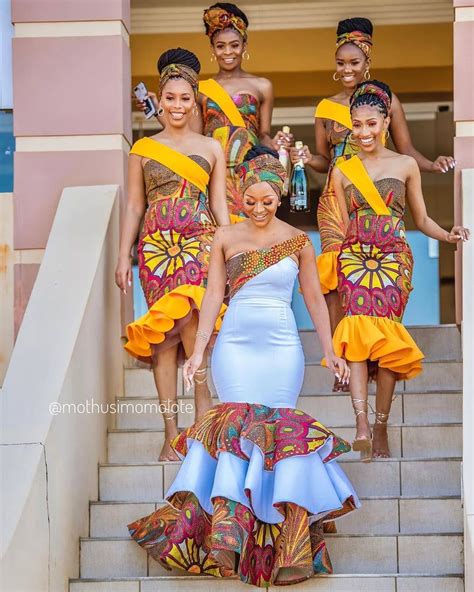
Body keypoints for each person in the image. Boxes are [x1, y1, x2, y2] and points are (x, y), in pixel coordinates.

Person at [127, 146, 360, 587]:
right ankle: (228, 538)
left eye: (267, 201)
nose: (258, 209)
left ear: (280, 196)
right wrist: (197, 353)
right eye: (249, 201)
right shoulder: (224, 237)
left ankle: (288, 546)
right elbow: (213, 295)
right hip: (234, 345)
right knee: (233, 430)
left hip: (281, 347)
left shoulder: (297, 241)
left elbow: (313, 298)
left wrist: (330, 349)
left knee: (281, 433)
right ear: (239, 197)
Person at [290, 17, 456, 391]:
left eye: (354, 62)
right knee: (336, 282)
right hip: (338, 198)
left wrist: (433, 164)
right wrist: (302, 156)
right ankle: (343, 363)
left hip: (378, 199)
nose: (347, 70)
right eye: (341, 63)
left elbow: (405, 148)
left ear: (368, 61)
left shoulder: (385, 100)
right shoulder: (325, 107)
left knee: (372, 278)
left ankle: (376, 356)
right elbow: (321, 160)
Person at [331, 80, 469, 460]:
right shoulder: (343, 171)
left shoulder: (406, 164)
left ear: (386, 121)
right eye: (357, 125)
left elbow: (421, 218)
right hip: (355, 259)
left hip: (392, 258)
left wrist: (448, 233)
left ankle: (380, 426)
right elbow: (343, 227)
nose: (363, 132)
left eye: (371, 124)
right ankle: (360, 423)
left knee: (388, 341)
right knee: (357, 335)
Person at [115, 48, 230, 462]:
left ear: (195, 100)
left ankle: (202, 427)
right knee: (162, 342)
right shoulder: (143, 149)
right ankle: (170, 434)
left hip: (199, 242)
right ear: (159, 100)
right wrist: (122, 254)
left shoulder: (211, 148)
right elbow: (133, 206)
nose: (177, 106)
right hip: (156, 250)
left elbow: (220, 207)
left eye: (185, 98)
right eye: (170, 98)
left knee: (195, 326)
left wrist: (230, 251)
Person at [137, 3, 291, 222]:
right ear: (213, 49)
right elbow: (193, 132)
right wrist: (159, 110)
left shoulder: (262, 86)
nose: (228, 52)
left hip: (248, 169)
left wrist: (274, 144)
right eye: (220, 46)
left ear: (244, 45)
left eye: (234, 45)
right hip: (213, 170)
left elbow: (263, 133)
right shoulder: (201, 89)